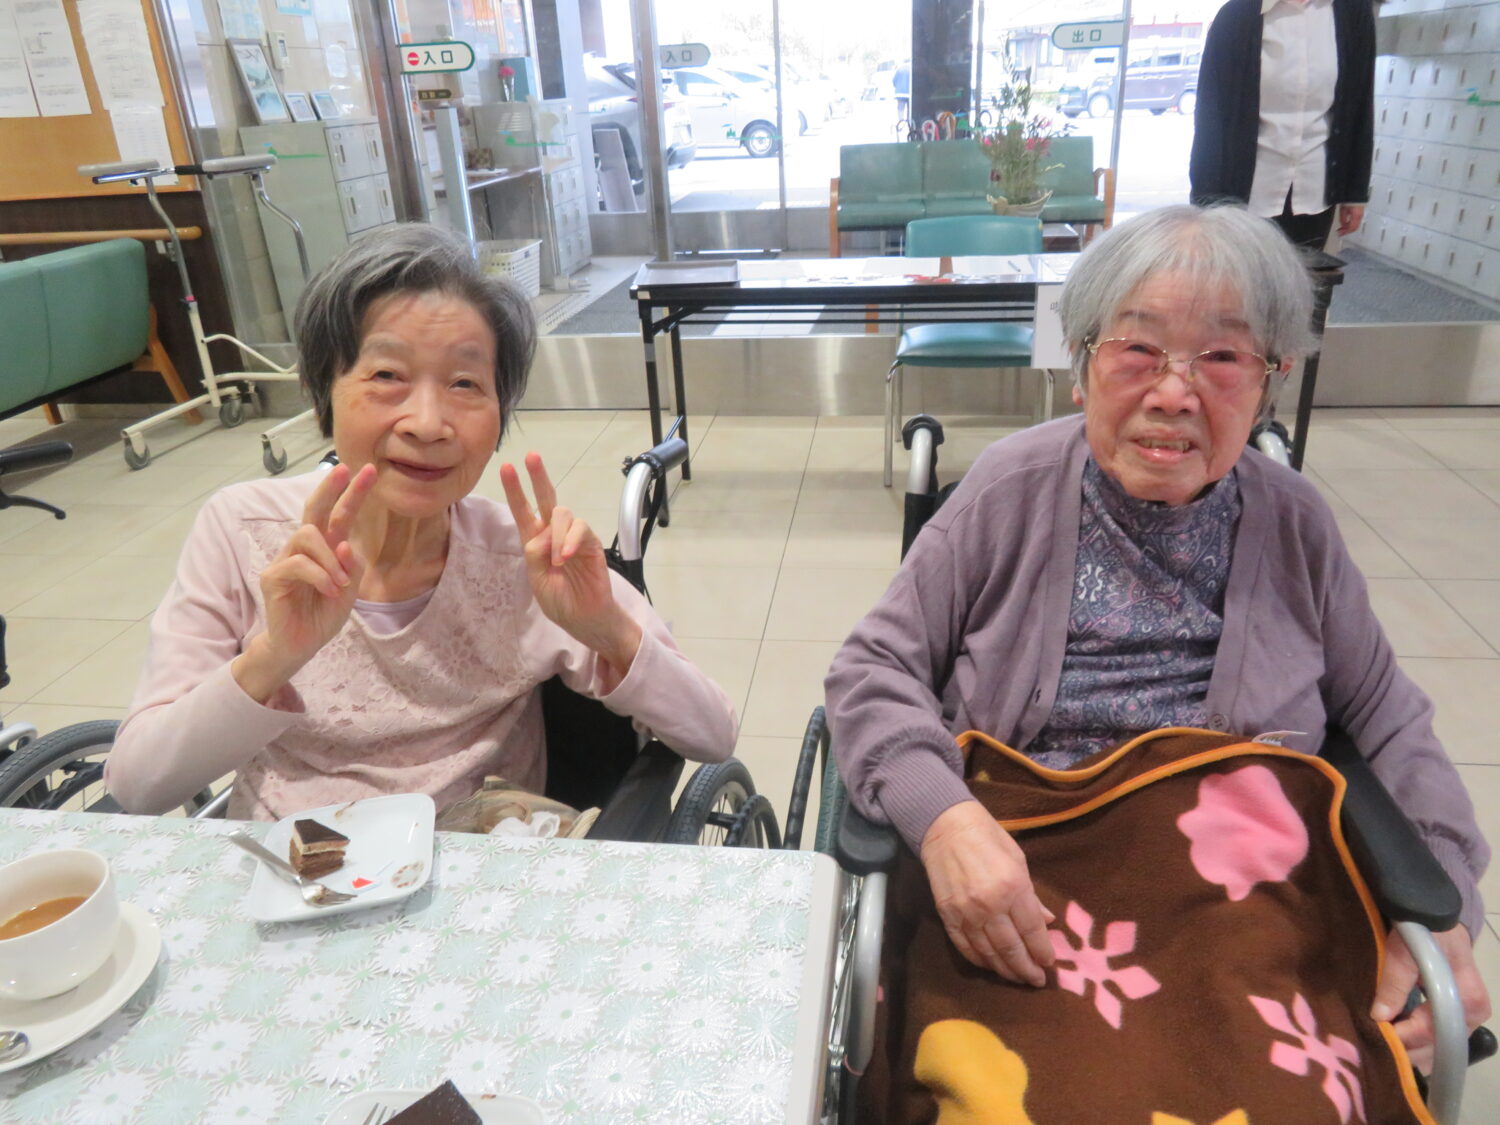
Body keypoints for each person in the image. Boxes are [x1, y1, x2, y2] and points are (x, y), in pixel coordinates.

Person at [825, 204, 1489, 1069]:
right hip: (1017, 871)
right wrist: (945, 821)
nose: (1174, 392)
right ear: (1082, 366)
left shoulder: (1296, 524)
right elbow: (871, 668)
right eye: (1138, 348)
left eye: (1222, 356)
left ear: (1269, 381)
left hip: (1242, 900)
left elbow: (1392, 721)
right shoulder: (1008, 488)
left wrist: (1444, 908)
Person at [106, 223, 738, 821]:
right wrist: (275, 656)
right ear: (322, 391)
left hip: (475, 866)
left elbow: (712, 735)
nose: (429, 424)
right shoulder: (242, 530)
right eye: (387, 375)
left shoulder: (525, 560)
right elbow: (138, 786)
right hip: (287, 865)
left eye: (465, 383)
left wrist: (606, 629)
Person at [1189, 0, 1375, 250]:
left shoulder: (1351, 11)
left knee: (1306, 274)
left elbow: (1360, 103)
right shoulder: (1236, 15)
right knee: (1244, 273)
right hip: (1246, 192)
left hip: (1314, 188)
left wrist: (1355, 193)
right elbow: (1210, 117)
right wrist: (1204, 203)